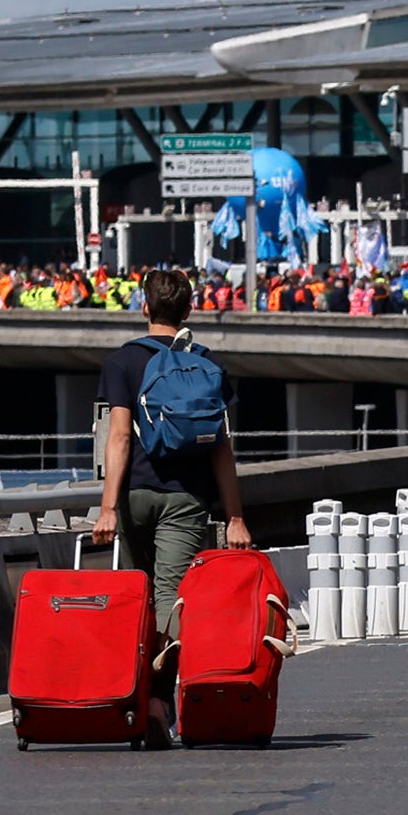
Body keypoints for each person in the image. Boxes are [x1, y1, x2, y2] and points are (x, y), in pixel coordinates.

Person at [89, 268, 252, 660]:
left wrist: (107, 508)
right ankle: (164, 692)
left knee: (137, 590)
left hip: (135, 495)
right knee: (170, 595)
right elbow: (221, 448)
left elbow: (120, 436)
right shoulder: (207, 363)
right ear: (189, 310)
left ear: (144, 307)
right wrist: (235, 518)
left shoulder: (122, 362)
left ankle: (138, 689)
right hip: (186, 497)